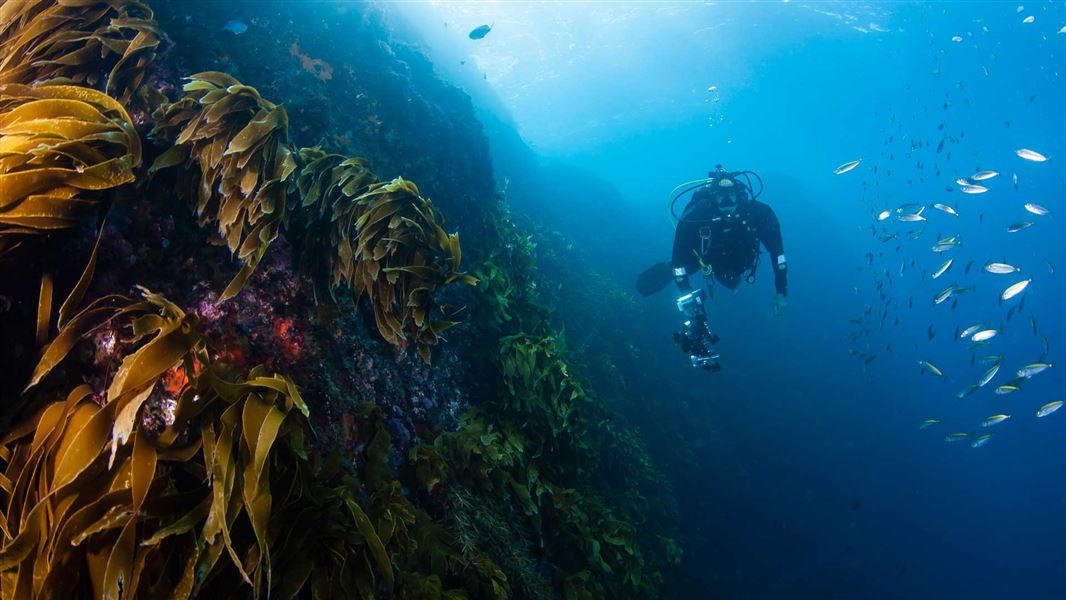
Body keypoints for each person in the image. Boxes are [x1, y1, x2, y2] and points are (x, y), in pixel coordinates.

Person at [671, 166, 788, 315]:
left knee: (733, 281)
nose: (726, 201)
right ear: (712, 197)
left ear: (738, 195)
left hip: (739, 262)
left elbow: (778, 254)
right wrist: (687, 296)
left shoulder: (759, 213)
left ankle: (735, 289)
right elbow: (678, 263)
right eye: (720, 195)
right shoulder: (695, 218)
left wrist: (781, 292)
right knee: (684, 266)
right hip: (707, 262)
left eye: (731, 194)